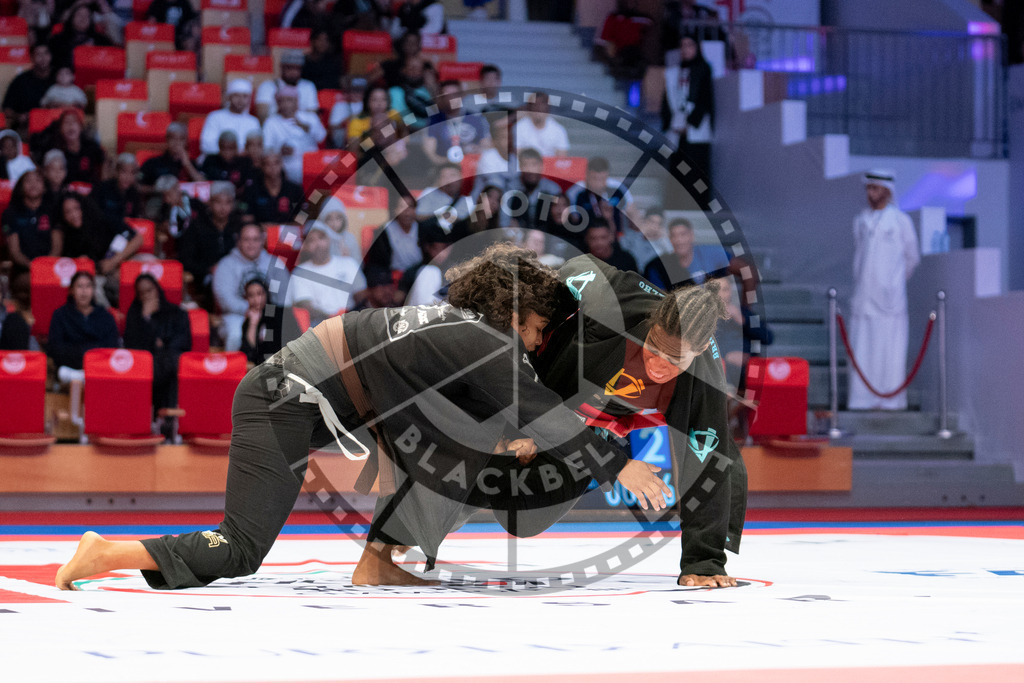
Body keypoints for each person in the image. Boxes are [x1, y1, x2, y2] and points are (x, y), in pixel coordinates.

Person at [55, 243, 670, 590]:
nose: (538, 344)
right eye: (536, 329)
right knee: (242, 547)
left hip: (295, 394)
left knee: (461, 440)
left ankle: (380, 559)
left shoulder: (457, 331)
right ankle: (106, 552)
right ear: (512, 312)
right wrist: (621, 466)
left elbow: (475, 415)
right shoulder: (484, 342)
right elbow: (539, 412)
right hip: (281, 399)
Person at [532, 253, 746, 587]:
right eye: (653, 347)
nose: (658, 364)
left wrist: (703, 561)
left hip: (598, 422)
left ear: (700, 348)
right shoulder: (616, 301)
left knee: (532, 511)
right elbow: (575, 266)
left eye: (674, 359)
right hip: (548, 390)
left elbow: (706, 462)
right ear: (652, 323)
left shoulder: (704, 376)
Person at [848, 169, 921, 411]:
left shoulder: (901, 222)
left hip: (890, 302)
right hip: (863, 298)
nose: (870, 193)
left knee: (890, 350)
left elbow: (912, 258)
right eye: (868, 188)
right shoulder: (861, 220)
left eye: (875, 189)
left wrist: (892, 284)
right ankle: (861, 400)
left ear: (887, 191)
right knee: (863, 348)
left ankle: (890, 401)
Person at [212, 222, 285, 352]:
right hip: (236, 315)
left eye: (255, 239)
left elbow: (283, 295)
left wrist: (265, 312)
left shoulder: (275, 264)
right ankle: (234, 370)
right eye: (246, 239)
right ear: (238, 241)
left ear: (263, 240)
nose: (251, 244)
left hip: (270, 314)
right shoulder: (226, 265)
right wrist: (251, 310)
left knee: (278, 331)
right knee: (236, 334)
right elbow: (225, 299)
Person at [58, 192, 142, 304]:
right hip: (99, 277)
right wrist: (83, 264)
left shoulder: (103, 219)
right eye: (68, 212)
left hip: (123, 264)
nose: (74, 214)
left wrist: (114, 261)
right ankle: (108, 318)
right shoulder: (67, 237)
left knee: (148, 259)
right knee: (89, 288)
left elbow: (138, 239)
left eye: (76, 209)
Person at [124, 273, 191, 413]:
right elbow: (133, 347)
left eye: (149, 290)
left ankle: (169, 418)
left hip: (170, 364)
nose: (147, 296)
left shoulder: (176, 313)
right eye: (142, 293)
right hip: (145, 368)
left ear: (157, 289)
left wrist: (160, 346)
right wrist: (146, 319)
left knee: (174, 363)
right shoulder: (135, 315)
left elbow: (184, 342)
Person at [286, 222, 367, 325]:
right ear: (305, 246)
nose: (318, 244)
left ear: (329, 239)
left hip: (352, 320)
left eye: (321, 238)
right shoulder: (300, 273)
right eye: (311, 240)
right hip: (320, 325)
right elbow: (306, 306)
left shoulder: (348, 263)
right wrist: (333, 319)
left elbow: (361, 295)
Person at [178, 181, 242, 301]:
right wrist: (208, 269)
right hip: (206, 277)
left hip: (238, 274)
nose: (223, 207)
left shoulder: (239, 225)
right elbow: (185, 260)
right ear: (210, 203)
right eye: (218, 202)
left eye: (228, 202)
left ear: (233, 204)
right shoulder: (196, 226)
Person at [662, 35, 714, 177]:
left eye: (689, 45)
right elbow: (667, 100)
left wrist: (690, 123)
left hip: (696, 130)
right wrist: (670, 123)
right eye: (682, 46)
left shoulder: (703, 69)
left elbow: (705, 98)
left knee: (696, 173)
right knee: (677, 171)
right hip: (676, 128)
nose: (685, 49)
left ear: (696, 48)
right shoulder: (673, 73)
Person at [46, 270, 119, 370]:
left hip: (100, 368)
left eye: (88, 286)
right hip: (70, 368)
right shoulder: (60, 315)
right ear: (71, 290)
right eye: (79, 286)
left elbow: (112, 346)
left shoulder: (105, 316)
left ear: (93, 290)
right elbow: (56, 348)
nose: (84, 291)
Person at [262, 86, 327, 186]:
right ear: (278, 103)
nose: (285, 104)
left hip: (310, 165)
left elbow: (321, 137)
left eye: (289, 100)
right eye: (282, 101)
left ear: (297, 102)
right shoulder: (271, 122)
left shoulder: (310, 118)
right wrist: (279, 150)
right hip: (284, 166)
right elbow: (266, 148)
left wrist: (306, 127)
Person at [643, 216, 729, 289]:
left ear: (691, 235)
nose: (679, 240)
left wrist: (743, 306)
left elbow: (739, 265)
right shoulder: (659, 266)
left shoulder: (710, 253)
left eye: (683, 234)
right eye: (674, 236)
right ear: (670, 239)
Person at [1, 169, 59, 276]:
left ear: (45, 187)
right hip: (23, 271)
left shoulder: (53, 211)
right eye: (28, 181)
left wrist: (45, 266)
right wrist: (33, 267)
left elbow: (57, 247)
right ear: (21, 187)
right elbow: (15, 251)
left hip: (51, 268)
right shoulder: (10, 214)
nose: (33, 184)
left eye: (37, 180)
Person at [422, 80, 490, 166]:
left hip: (474, 166)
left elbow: (487, 146)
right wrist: (450, 162)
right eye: (447, 95)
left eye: (455, 94)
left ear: (462, 96)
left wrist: (478, 150)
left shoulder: (476, 118)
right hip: (445, 169)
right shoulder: (434, 121)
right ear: (441, 98)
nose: (451, 99)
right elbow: (430, 154)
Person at [30, 108, 104, 185]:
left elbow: (105, 164)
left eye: (74, 122)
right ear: (60, 129)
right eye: (66, 122)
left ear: (81, 127)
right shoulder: (54, 149)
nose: (70, 125)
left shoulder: (91, 147)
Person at [363, 193, 421, 283]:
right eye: (402, 207)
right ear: (395, 210)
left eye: (410, 206)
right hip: (390, 277)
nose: (407, 211)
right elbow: (377, 263)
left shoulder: (423, 229)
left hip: (417, 276)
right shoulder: (384, 231)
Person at [567, 156, 631, 235]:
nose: (598, 184)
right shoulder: (575, 192)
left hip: (615, 235)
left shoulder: (618, 188)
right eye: (594, 179)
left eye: (602, 179)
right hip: (585, 236)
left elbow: (632, 212)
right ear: (586, 175)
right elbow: (572, 219)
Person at [239, 153, 306, 225]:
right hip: (261, 232)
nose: (272, 167)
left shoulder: (295, 189)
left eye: (276, 163)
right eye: (268, 164)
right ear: (262, 166)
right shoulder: (251, 189)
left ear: (281, 164)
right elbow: (246, 217)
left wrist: (286, 228)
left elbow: (303, 216)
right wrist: (261, 227)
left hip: (288, 232)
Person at [200, 80, 262, 156]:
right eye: (236, 96)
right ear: (229, 97)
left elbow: (256, 147)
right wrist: (231, 153)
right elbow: (206, 145)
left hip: (244, 162)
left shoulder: (253, 121)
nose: (241, 100)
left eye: (245, 96)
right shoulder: (215, 117)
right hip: (218, 160)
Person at [255, 51, 319, 121]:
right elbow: (262, 116)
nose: (293, 72)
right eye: (289, 68)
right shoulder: (267, 86)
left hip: (301, 128)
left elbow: (312, 117)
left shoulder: (308, 87)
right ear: (281, 67)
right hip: (274, 128)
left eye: (297, 68)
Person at [138, 123, 204, 192]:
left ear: (186, 142)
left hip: (186, 200)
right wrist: (157, 189)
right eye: (173, 138)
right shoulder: (152, 163)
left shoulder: (192, 164)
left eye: (181, 139)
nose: (177, 143)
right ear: (167, 140)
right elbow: (138, 186)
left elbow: (204, 185)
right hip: (159, 199)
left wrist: (187, 165)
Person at [2, 44, 54, 130]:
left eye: (46, 53)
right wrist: (19, 116)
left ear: (51, 56)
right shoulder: (21, 80)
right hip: (27, 127)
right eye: (38, 54)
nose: (43, 58)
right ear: (32, 58)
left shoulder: (60, 78)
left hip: (54, 126)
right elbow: (7, 109)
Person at [514, 92, 569, 157]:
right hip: (527, 166)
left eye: (542, 105)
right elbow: (518, 157)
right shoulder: (518, 128)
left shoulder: (559, 130)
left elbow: (562, 159)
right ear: (529, 108)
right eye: (535, 105)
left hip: (550, 166)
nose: (539, 109)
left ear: (548, 107)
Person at [238, 277, 278, 365]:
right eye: (251, 295)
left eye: (259, 294)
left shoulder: (278, 314)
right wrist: (253, 324)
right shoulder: (249, 320)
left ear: (267, 294)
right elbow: (248, 353)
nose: (256, 300)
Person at [91, 153, 143, 219]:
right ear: (116, 172)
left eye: (132, 173)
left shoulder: (134, 194)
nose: (128, 177)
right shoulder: (101, 188)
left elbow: (135, 218)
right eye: (124, 172)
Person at [300, 28, 343, 92]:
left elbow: (334, 83)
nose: (323, 43)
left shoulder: (334, 62)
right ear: (313, 41)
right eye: (320, 40)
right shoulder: (304, 61)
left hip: (326, 95)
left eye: (326, 40)